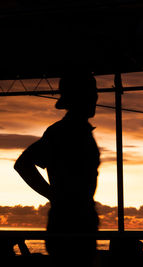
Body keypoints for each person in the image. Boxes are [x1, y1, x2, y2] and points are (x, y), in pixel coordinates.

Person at [14, 72, 100, 267]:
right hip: (69, 224)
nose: (95, 98)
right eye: (91, 93)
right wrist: (55, 196)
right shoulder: (63, 132)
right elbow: (22, 164)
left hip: (78, 221)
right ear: (79, 98)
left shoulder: (76, 131)